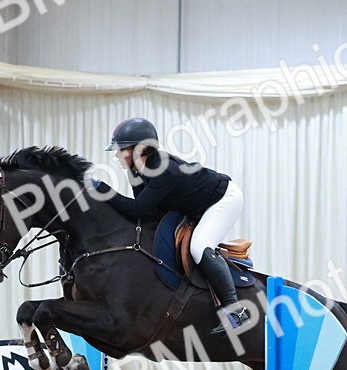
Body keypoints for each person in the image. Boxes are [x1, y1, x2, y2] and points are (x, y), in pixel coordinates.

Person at [92, 117, 250, 331]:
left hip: (223, 199)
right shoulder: (137, 169)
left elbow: (137, 208)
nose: (117, 156)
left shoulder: (163, 170)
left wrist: (103, 189)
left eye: (122, 150)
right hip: (194, 205)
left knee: (199, 246)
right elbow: (147, 213)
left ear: (141, 149)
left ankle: (236, 310)